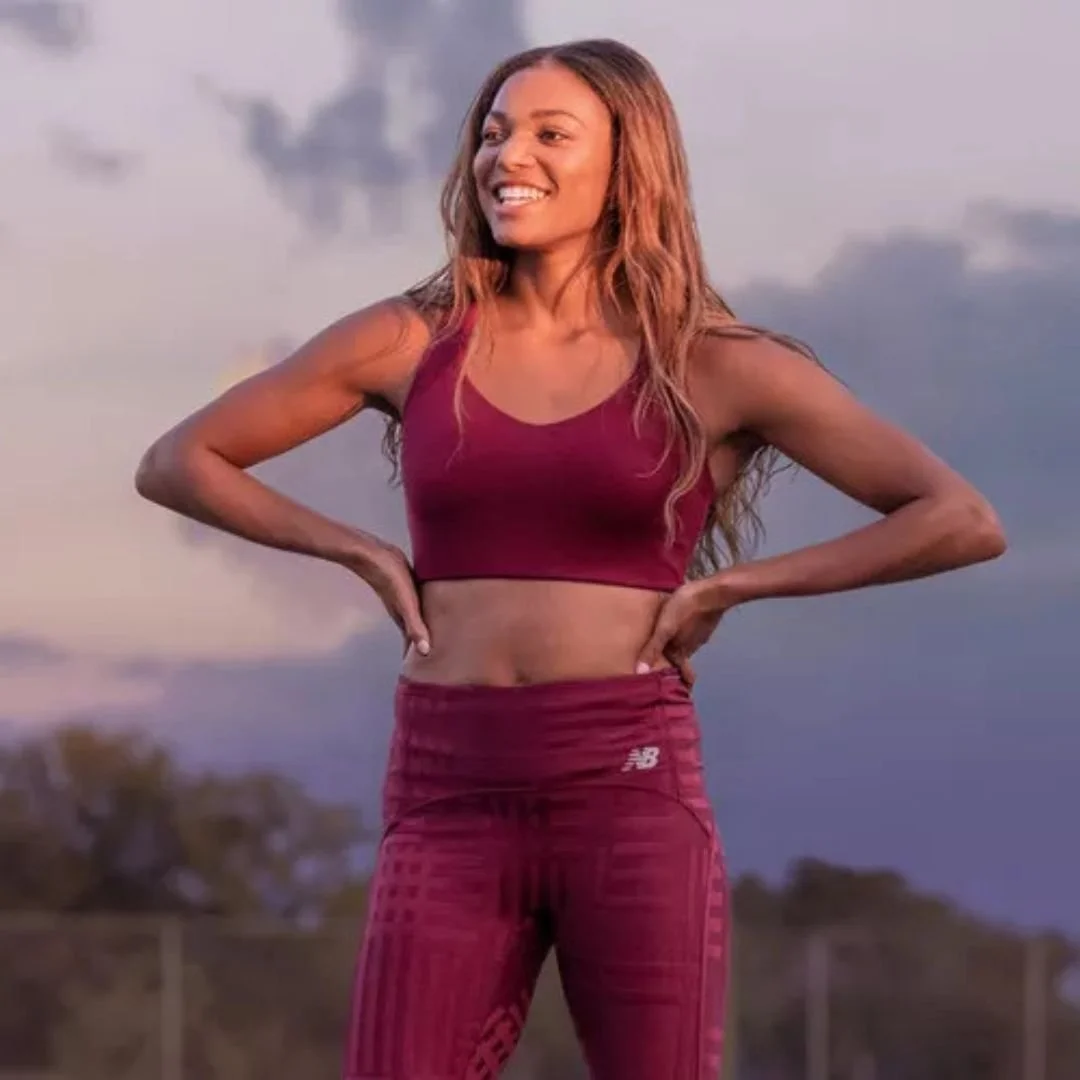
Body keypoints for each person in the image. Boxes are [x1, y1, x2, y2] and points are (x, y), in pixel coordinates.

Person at [134, 37, 1006, 1080]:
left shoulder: (718, 363)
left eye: (552, 133)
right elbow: (181, 459)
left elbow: (956, 517)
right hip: (447, 786)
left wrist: (736, 583)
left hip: (627, 784)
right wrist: (359, 551)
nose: (511, 157)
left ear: (626, 164)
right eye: (495, 133)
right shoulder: (413, 338)